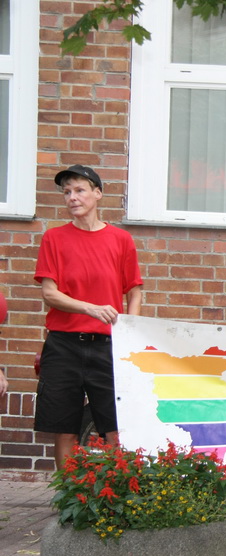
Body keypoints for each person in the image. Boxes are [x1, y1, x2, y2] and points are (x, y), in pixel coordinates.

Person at [34, 165, 144, 470]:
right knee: (65, 428)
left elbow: (134, 292)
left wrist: (128, 333)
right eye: (67, 192)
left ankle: (118, 490)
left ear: (97, 194)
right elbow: (49, 293)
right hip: (63, 346)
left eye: (79, 190)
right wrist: (90, 308)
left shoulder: (120, 239)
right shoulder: (54, 239)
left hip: (107, 346)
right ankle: (67, 493)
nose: (72, 197)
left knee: (115, 428)